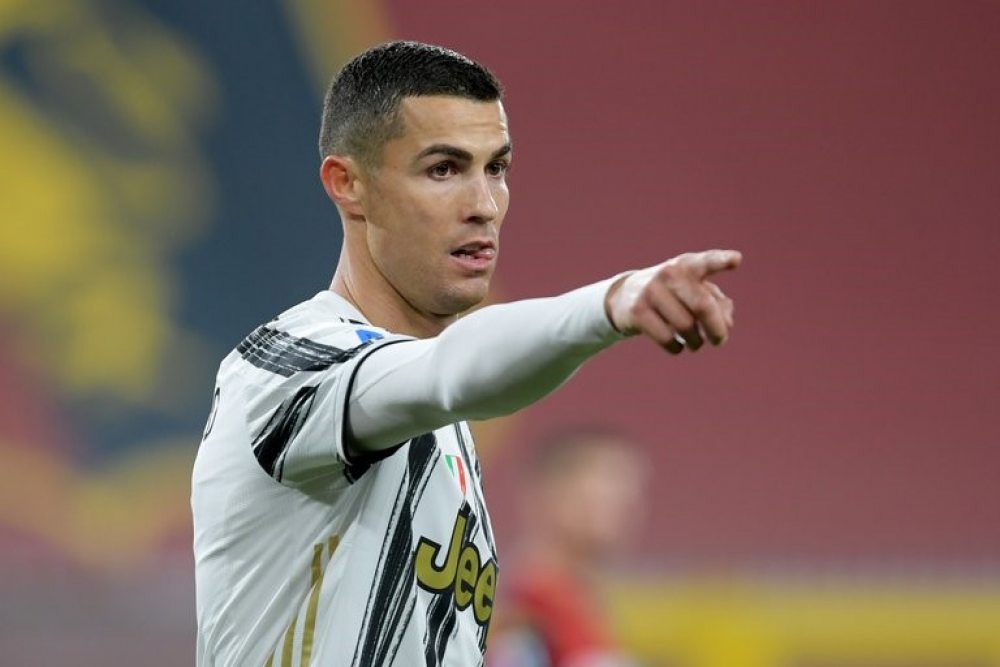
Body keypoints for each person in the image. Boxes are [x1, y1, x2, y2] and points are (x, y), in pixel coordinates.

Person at [191, 40, 741, 667]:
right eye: (443, 169)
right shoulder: (289, 366)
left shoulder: (444, 435)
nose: (483, 205)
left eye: (496, 168)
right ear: (349, 185)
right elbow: (449, 371)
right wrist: (609, 304)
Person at [488, 428, 646, 667]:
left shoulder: (578, 601)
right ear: (551, 494)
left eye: (633, 488)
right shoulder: (528, 603)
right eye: (609, 483)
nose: (628, 502)